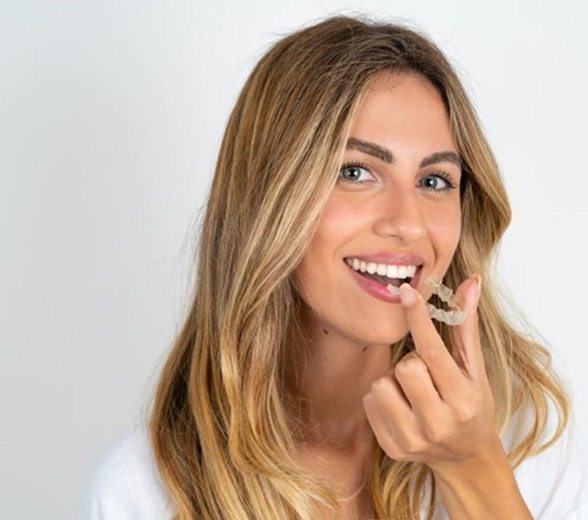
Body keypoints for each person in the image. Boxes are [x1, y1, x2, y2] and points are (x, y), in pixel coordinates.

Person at [82, 14, 588, 519]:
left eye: (435, 180)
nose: (407, 224)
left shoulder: (530, 440)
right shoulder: (146, 491)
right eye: (356, 172)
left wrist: (472, 468)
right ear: (269, 198)